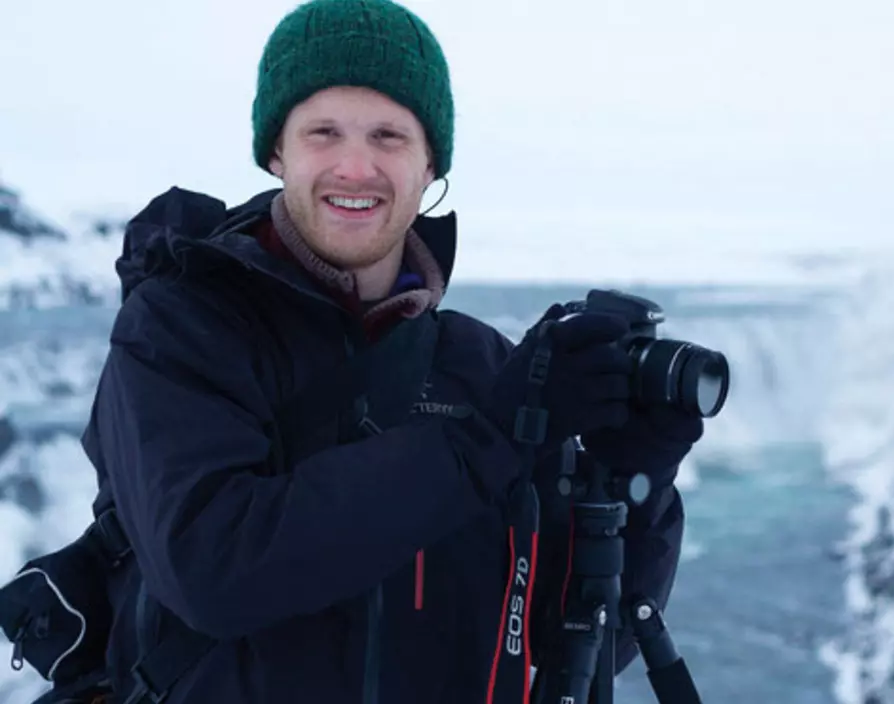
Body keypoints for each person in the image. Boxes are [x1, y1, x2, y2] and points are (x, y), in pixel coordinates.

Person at [74, 0, 701, 701]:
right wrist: (482, 442)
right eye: (323, 132)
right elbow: (213, 571)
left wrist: (634, 485)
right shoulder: (181, 330)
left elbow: (580, 641)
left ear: (431, 161)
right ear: (275, 151)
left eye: (388, 136)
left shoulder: (483, 367)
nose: (355, 165)